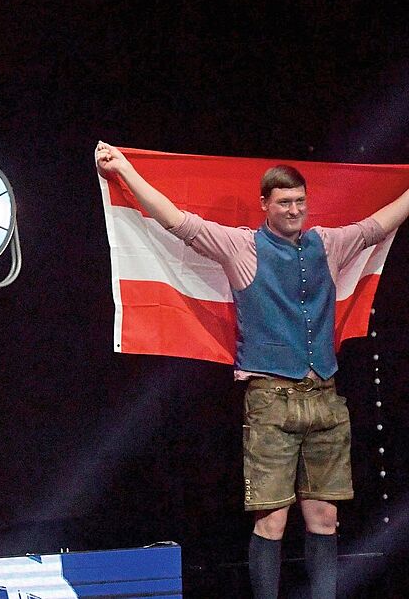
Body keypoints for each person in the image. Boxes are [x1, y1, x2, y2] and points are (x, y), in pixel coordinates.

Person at [95, 142, 409, 599]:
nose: (295, 210)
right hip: (270, 400)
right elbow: (174, 219)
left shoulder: (329, 244)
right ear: (265, 205)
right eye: (285, 203)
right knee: (272, 518)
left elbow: (380, 223)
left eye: (300, 201)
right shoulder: (241, 246)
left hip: (324, 395)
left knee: (324, 518)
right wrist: (124, 170)